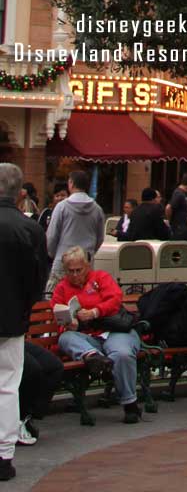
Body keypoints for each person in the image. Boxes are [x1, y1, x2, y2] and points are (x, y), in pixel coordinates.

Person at [51, 246, 143, 423]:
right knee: (66, 338)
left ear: (87, 267)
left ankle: (130, 403)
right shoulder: (61, 288)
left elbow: (115, 300)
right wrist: (70, 324)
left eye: (79, 270)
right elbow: (58, 317)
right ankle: (95, 358)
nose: (75, 275)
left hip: (114, 330)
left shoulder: (100, 278)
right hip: (86, 337)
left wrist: (95, 312)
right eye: (71, 271)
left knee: (122, 355)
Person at [0, 163, 49, 479]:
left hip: (12, 312)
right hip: (11, 318)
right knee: (6, 386)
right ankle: (3, 455)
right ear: (20, 194)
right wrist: (22, 305)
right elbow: (37, 280)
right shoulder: (30, 228)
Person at [45, 172, 105, 292]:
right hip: (85, 261)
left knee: (56, 298)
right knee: (84, 299)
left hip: (63, 260)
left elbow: (51, 236)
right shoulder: (97, 209)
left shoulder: (62, 207)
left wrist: (53, 253)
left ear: (71, 183)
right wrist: (89, 254)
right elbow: (100, 238)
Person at [17, 341, 62, 444]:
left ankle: (26, 417)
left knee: (54, 366)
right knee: (32, 369)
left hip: (13, 337)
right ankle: (16, 420)